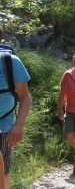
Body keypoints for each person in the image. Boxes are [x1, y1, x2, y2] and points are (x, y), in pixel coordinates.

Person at [0, 26, 32, 189]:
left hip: (4, 127)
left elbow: (25, 96)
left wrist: (19, 125)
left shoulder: (10, 62)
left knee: (3, 172)